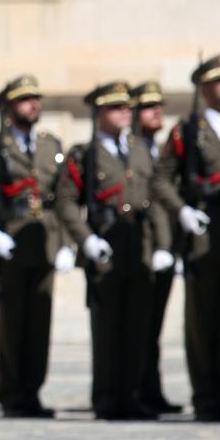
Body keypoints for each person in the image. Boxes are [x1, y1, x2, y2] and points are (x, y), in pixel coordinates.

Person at [152, 54, 220, 422]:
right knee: (202, 323)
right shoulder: (188, 130)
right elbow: (162, 179)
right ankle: (206, 398)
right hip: (203, 236)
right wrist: (182, 210)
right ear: (204, 88)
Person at [55, 82, 171, 419]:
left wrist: (163, 245)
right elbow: (66, 201)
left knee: (137, 327)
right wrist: (85, 238)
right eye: (114, 108)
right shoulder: (85, 153)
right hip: (105, 244)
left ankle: (132, 396)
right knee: (108, 331)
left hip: (139, 244)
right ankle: (107, 399)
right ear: (98, 114)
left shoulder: (140, 149)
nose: (123, 112)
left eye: (125, 107)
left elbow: (157, 199)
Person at [0, 75, 71, 418]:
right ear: (9, 108)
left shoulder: (51, 144)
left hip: (45, 240)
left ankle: (32, 391)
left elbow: (64, 199)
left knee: (39, 321)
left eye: (35, 99)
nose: (33, 105)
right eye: (25, 100)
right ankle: (11, 394)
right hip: (11, 241)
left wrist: (66, 242)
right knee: (11, 324)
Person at [132, 80, 183, 414]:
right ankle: (137, 389)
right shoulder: (132, 151)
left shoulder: (161, 149)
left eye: (159, 106)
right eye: (148, 107)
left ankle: (153, 388)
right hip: (142, 248)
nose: (157, 113)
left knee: (154, 327)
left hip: (166, 248)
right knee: (139, 327)